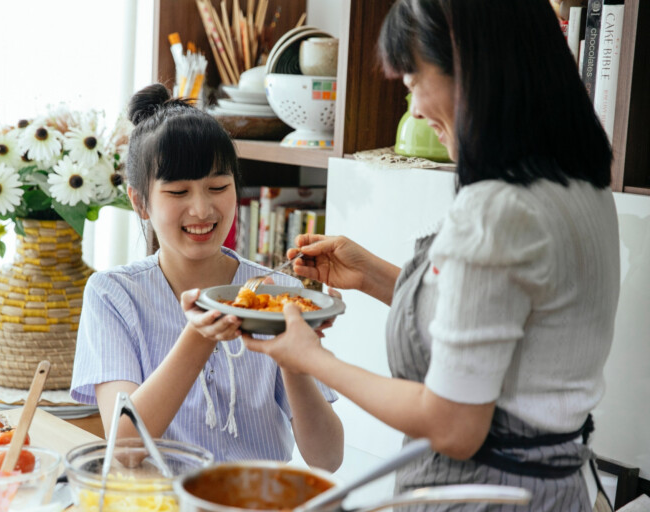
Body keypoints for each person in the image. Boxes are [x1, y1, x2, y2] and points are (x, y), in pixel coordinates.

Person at [243, 0, 619, 510]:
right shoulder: (583, 191)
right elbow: (500, 323)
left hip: (482, 495)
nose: (415, 108)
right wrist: (373, 274)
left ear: (472, 67)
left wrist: (311, 358)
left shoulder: (496, 213)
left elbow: (453, 425)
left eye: (415, 79)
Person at [70, 83, 343, 471]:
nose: (202, 209)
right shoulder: (113, 295)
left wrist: (294, 359)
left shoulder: (280, 294)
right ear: (139, 202)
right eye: (178, 192)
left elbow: (328, 459)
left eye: (218, 187)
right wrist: (199, 333)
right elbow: (125, 447)